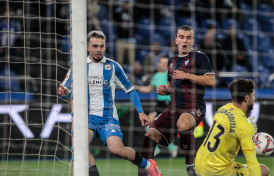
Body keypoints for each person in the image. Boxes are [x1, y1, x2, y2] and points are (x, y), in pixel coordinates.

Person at [58, 31, 161, 176]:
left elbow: (130, 89)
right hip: (87, 118)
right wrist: (64, 93)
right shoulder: (78, 67)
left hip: (108, 118)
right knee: (80, 147)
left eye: (101, 46)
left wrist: (140, 112)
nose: (98, 50)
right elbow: (66, 93)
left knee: (116, 149)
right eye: (95, 46)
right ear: (88, 47)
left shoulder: (113, 67)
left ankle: (148, 164)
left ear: (105, 47)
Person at [138, 25, 216, 176]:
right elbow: (171, 83)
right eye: (181, 37)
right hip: (173, 107)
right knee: (150, 135)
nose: (184, 41)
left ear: (193, 41)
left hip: (193, 105)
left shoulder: (200, 57)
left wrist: (187, 75)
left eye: (188, 37)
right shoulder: (172, 61)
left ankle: (190, 168)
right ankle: (146, 172)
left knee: (183, 123)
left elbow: (211, 80)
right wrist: (165, 89)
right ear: (176, 40)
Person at [195, 78, 270, 176]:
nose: (254, 99)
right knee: (264, 170)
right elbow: (251, 162)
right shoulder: (245, 127)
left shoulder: (223, 109)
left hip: (199, 164)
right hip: (217, 172)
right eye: (253, 95)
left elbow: (230, 129)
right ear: (247, 98)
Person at [135, 56, 179, 158]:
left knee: (160, 127)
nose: (162, 64)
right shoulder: (156, 75)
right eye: (161, 62)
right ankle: (163, 148)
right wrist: (136, 87)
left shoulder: (171, 75)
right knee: (148, 123)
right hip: (159, 104)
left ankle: (167, 148)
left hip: (169, 103)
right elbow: (149, 89)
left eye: (165, 62)